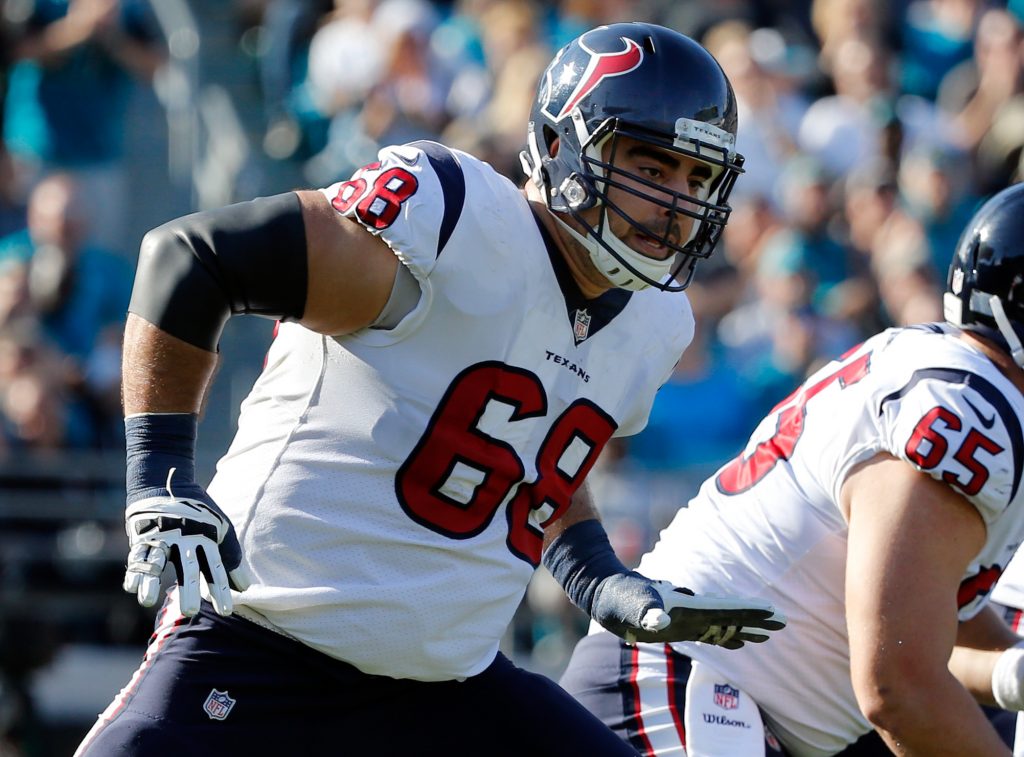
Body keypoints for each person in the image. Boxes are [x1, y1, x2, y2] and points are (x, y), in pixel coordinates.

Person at [75, 23, 786, 756]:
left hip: (448, 689)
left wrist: (600, 577)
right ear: (566, 146)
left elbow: (535, 459)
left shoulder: (656, 321)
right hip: (263, 647)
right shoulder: (455, 221)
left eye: (696, 179)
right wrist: (159, 472)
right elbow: (193, 256)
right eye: (651, 163)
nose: (675, 200)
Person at [560, 182, 1024, 756]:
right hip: (687, 695)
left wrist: (1011, 670)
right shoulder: (969, 413)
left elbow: (925, 624)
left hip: (716, 702)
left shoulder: (944, 371)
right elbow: (898, 686)